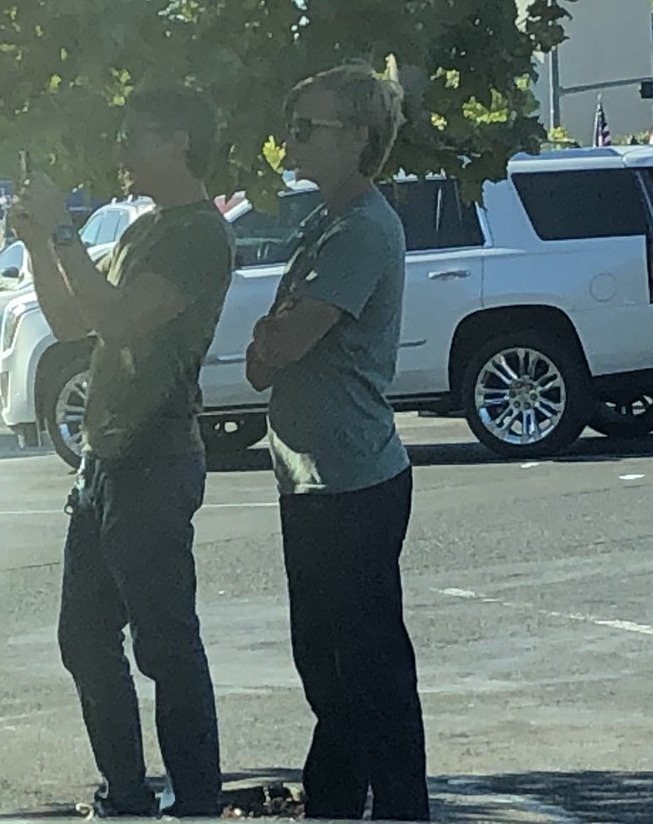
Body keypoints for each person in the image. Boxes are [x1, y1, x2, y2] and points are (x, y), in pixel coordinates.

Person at [9, 86, 234, 818]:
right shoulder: (146, 229)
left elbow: (122, 322)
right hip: (105, 460)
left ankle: (196, 800)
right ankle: (126, 796)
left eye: (136, 137)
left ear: (179, 142)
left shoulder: (199, 235)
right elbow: (74, 321)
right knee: (84, 638)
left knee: (165, 643)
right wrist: (41, 242)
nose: (122, 151)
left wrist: (65, 232)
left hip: (156, 459)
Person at [245, 62, 429, 821]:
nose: (291, 142)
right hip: (312, 481)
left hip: (353, 483)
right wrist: (272, 339)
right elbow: (270, 350)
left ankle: (387, 807)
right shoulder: (322, 222)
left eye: (306, 129)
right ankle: (338, 800)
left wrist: (272, 338)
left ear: (356, 137)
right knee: (326, 667)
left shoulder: (360, 230)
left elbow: (282, 343)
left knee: (367, 671)